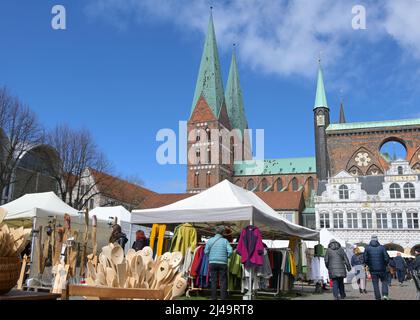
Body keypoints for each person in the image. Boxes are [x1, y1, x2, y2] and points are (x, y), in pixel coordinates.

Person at [204, 226, 233, 300]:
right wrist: (227, 257)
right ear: (222, 233)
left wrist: (210, 257)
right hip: (223, 263)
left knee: (213, 280)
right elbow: (230, 251)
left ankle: (213, 297)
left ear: (215, 232)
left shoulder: (210, 240)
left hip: (212, 262)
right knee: (223, 281)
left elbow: (206, 251)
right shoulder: (225, 241)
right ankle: (223, 297)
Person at [364, 235, 390, 300]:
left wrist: (369, 264)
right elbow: (386, 258)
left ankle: (378, 297)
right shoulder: (382, 247)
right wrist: (385, 264)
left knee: (375, 284)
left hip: (372, 269)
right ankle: (385, 295)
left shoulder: (367, 248)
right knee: (384, 281)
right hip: (382, 268)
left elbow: (365, 259)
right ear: (377, 240)